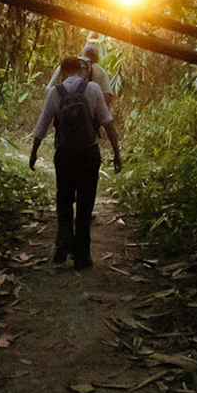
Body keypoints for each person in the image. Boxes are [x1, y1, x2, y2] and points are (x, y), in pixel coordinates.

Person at [29, 54, 121, 268]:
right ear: (80, 70)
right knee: (85, 202)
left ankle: (62, 248)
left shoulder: (55, 92)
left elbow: (42, 124)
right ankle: (82, 255)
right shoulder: (93, 89)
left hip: (64, 154)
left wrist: (34, 152)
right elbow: (107, 122)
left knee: (64, 200)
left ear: (61, 72)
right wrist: (116, 152)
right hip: (89, 153)